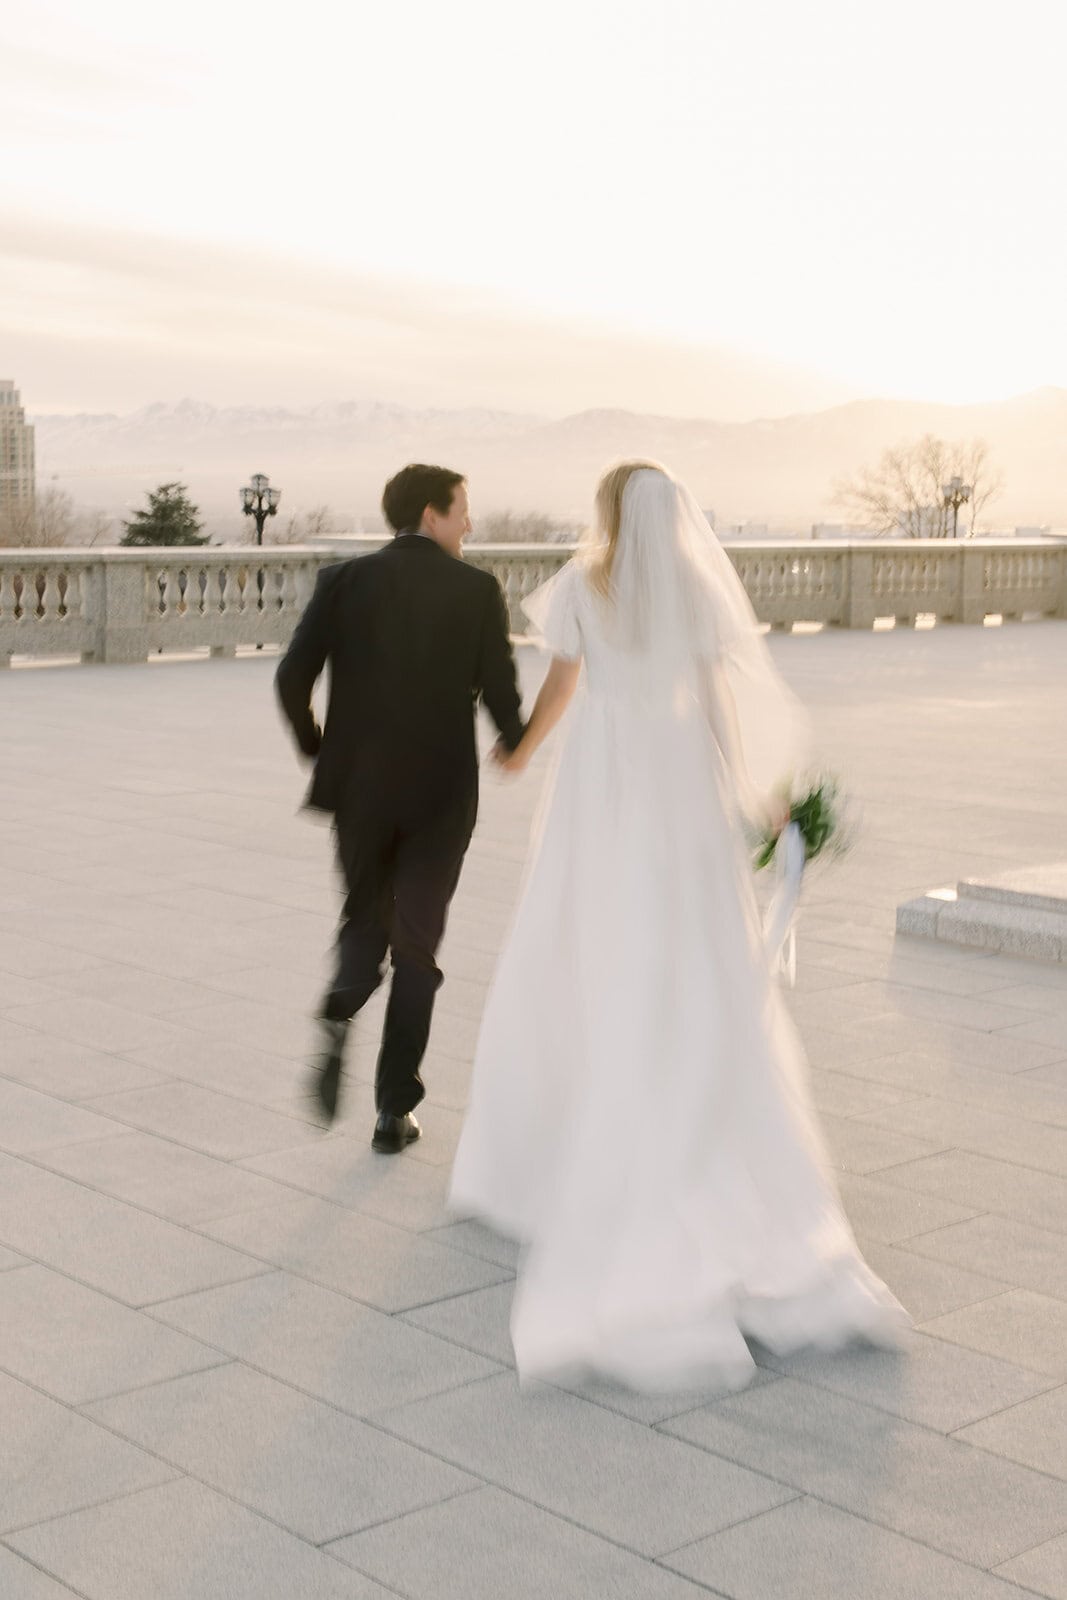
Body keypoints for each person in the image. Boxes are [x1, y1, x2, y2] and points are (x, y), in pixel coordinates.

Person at [450, 460, 907, 1392]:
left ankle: (564, 1127)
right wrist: (763, 801)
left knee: (582, 940)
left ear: (610, 513)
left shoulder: (583, 583)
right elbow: (718, 708)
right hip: (680, 788)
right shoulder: (699, 586)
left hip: (604, 784)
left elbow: (563, 687)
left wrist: (523, 749)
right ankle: (694, 1106)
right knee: (691, 956)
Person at [275, 463, 524, 1151]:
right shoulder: (475, 590)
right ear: (431, 513)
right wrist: (514, 739)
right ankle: (392, 1109)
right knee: (418, 947)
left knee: (365, 912)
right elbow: (500, 686)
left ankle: (340, 1003)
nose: (470, 523)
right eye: (463, 509)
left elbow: (291, 675)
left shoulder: (342, 582)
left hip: (359, 787)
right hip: (441, 794)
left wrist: (316, 744)